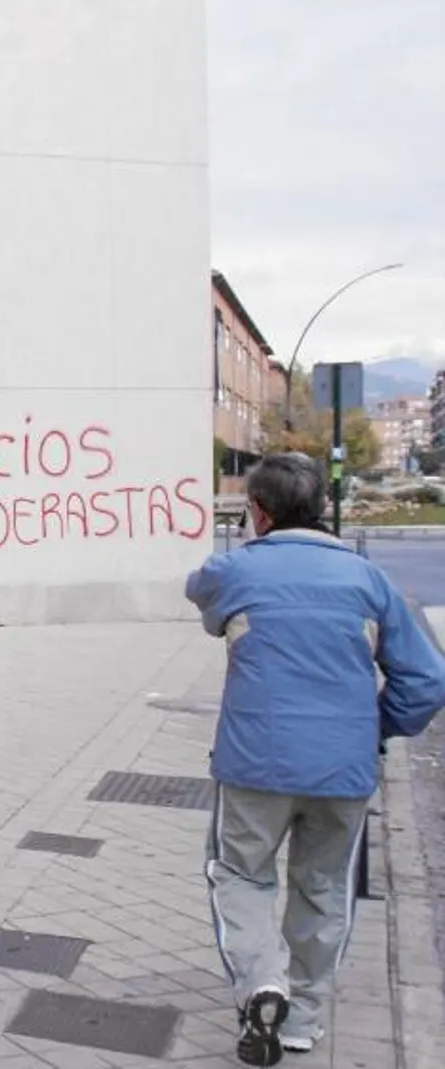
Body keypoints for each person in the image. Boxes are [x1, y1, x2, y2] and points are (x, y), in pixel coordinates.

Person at [185, 451, 445, 1066]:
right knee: (323, 886)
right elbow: (428, 681)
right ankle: (301, 1017)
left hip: (255, 763)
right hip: (343, 768)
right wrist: (376, 728)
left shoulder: (237, 570)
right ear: (322, 509)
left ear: (258, 511)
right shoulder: (369, 580)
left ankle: (261, 983)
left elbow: (200, 592)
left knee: (240, 874)